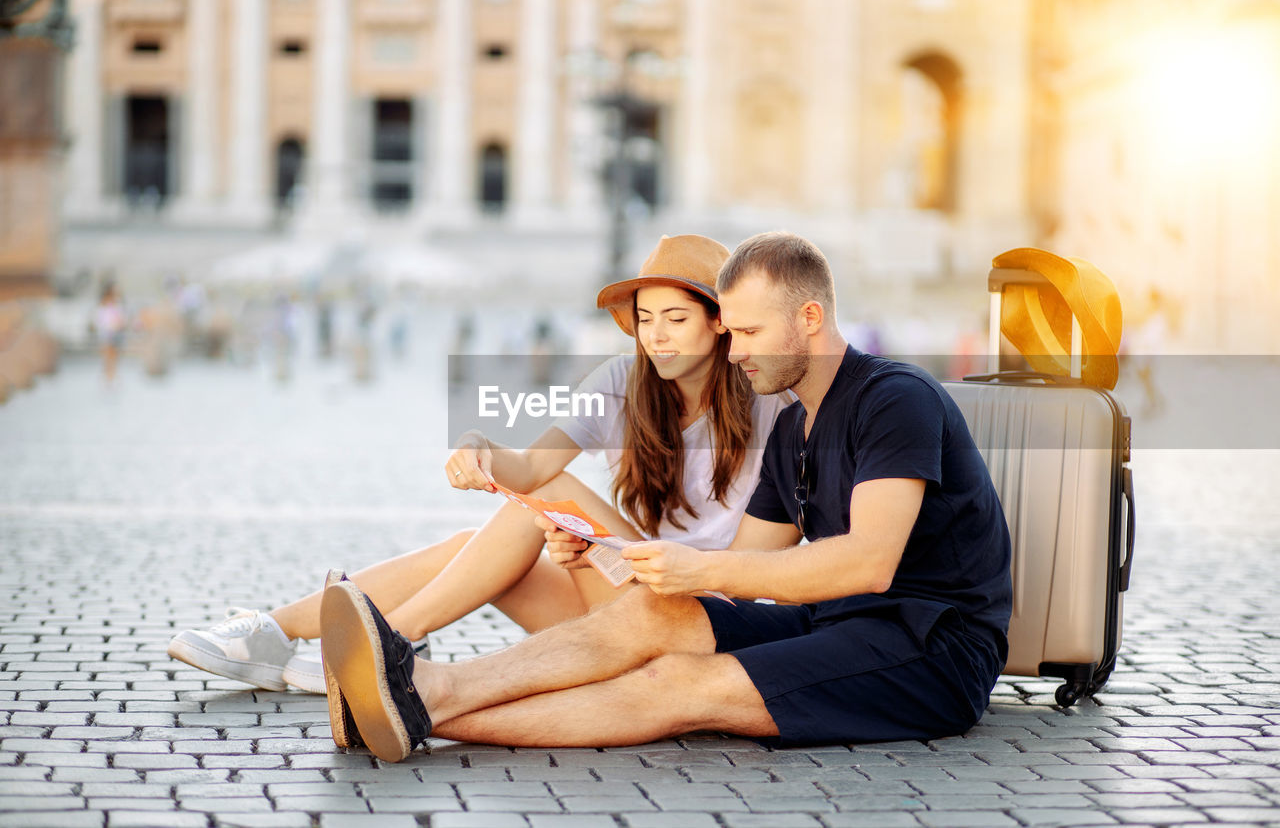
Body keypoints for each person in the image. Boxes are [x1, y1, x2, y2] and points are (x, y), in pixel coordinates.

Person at [318, 231, 1013, 761]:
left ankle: (418, 710)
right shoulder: (795, 427)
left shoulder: (895, 398)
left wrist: (698, 569)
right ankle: (425, 687)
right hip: (839, 625)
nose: (736, 352)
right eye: (731, 330)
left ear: (808, 317)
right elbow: (743, 576)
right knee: (654, 617)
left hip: (932, 651)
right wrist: (621, 561)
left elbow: (870, 563)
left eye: (748, 332)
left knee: (679, 683)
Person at [167, 235, 790, 704]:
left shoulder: (771, 407)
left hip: (705, 616)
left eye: (675, 320)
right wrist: (481, 445)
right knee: (484, 541)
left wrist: (621, 550)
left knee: (545, 495)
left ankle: (390, 638)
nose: (656, 337)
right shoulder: (624, 384)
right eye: (646, 321)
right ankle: (276, 630)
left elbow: (753, 570)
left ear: (719, 322)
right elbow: (526, 468)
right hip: (625, 599)